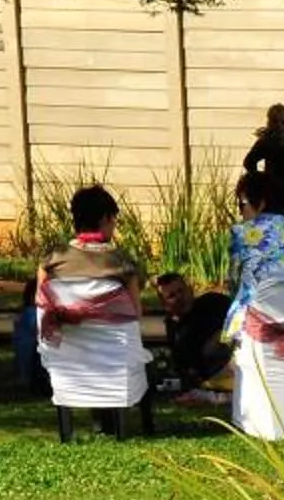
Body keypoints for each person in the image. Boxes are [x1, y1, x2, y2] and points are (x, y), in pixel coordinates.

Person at [32, 184, 149, 442]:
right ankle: (116, 420)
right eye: (114, 221)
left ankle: (78, 426)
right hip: (114, 358)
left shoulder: (51, 260)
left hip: (68, 360)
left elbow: (41, 304)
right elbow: (135, 313)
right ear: (106, 218)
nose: (114, 227)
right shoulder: (121, 262)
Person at [222, 169, 284, 342]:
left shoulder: (242, 233)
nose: (240, 211)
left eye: (242, 204)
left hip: (257, 325)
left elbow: (234, 283)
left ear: (261, 203)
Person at [153, 273, 231, 403]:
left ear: (190, 289)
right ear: (165, 303)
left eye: (181, 291)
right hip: (216, 372)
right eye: (172, 296)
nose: (179, 297)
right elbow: (189, 366)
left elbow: (242, 314)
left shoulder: (214, 301)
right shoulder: (176, 328)